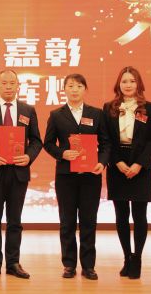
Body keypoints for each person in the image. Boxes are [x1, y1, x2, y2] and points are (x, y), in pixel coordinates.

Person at [0, 69, 42, 279]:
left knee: (15, 220)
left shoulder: (28, 110)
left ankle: (13, 263)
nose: (9, 86)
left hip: (19, 173)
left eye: (13, 83)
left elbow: (36, 140)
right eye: (4, 83)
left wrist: (28, 157)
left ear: (18, 86)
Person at [43, 73, 110, 280]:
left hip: (91, 176)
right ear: (64, 89)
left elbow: (106, 143)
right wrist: (62, 153)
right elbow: (48, 143)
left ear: (85, 89)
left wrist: (102, 162)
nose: (74, 90)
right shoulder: (56, 115)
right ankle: (69, 264)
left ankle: (88, 266)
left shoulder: (96, 113)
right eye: (71, 86)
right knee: (67, 221)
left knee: (89, 221)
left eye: (79, 86)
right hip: (66, 176)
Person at [103, 66, 151, 279]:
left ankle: (137, 258)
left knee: (139, 214)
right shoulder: (109, 108)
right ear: (118, 84)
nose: (128, 85)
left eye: (132, 81)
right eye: (124, 81)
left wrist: (139, 164)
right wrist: (116, 161)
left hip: (140, 166)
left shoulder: (149, 108)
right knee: (121, 215)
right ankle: (127, 257)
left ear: (139, 84)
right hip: (117, 164)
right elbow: (106, 138)